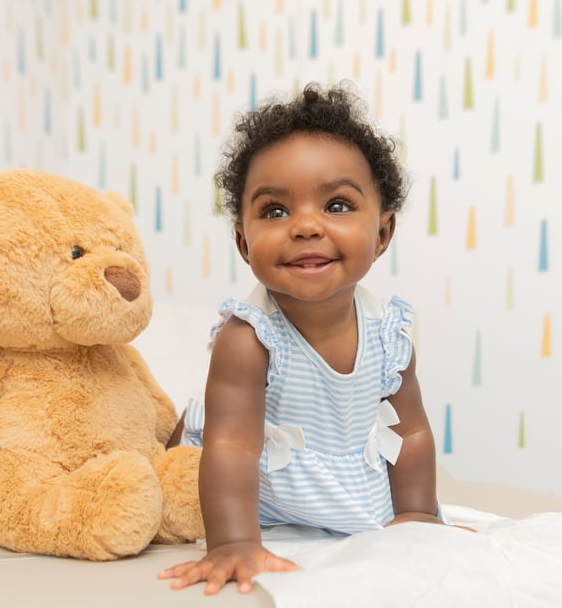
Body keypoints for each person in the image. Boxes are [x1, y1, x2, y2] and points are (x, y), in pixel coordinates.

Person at [158, 82, 452, 596]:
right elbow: (230, 444)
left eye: (338, 205)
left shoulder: (388, 335)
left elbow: (411, 434)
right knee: (168, 482)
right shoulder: (250, 338)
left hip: (335, 472)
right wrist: (231, 542)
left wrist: (415, 514)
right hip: (243, 477)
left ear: (382, 234)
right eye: (275, 211)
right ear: (243, 240)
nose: (307, 226)